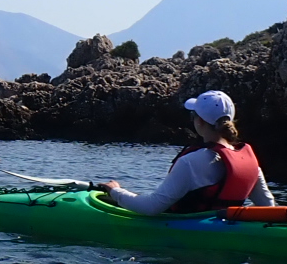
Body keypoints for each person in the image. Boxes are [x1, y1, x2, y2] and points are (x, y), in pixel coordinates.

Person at [101, 90, 274, 215]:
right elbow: (269, 209)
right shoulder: (250, 164)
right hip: (227, 227)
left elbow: (151, 207)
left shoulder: (190, 162)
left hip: (186, 234)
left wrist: (116, 191)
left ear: (200, 121)